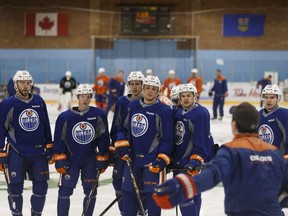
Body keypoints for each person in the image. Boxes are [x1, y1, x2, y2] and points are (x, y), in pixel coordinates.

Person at [153, 102, 288, 216]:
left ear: (234, 125)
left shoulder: (231, 150)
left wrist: (183, 186)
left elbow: (212, 175)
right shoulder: (274, 152)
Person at [115, 75, 174, 216]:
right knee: (128, 191)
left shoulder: (164, 111)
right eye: (147, 88)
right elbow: (122, 129)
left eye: (153, 89)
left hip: (152, 161)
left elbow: (167, 139)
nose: (149, 91)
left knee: (153, 195)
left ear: (158, 91)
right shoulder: (132, 106)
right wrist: (123, 146)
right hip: (132, 159)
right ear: (144, 88)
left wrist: (161, 159)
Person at [0, 70, 53, 216]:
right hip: (17, 153)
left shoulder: (39, 101)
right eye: (22, 82)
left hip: (38, 153)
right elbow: (0, 129)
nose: (25, 85)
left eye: (28, 82)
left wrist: (49, 145)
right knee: (15, 189)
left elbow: (46, 125)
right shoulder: (7, 104)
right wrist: (0, 150)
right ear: (16, 85)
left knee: (41, 188)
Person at [53, 84, 110, 216]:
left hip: (90, 159)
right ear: (77, 97)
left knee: (91, 191)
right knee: (64, 191)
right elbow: (59, 139)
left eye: (88, 97)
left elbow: (103, 137)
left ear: (91, 98)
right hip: (70, 159)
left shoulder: (99, 115)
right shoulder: (65, 117)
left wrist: (103, 155)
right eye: (82, 96)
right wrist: (60, 158)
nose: (85, 99)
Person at [171, 83, 214, 216]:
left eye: (189, 95)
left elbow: (201, 138)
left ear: (195, 96)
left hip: (192, 161)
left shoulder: (200, 113)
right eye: (182, 96)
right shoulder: (178, 112)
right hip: (180, 161)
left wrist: (197, 157)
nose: (185, 99)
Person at [109, 71, 145, 214]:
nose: (135, 87)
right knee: (118, 183)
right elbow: (116, 126)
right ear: (128, 85)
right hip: (122, 150)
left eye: (138, 84)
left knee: (139, 186)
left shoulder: (148, 101)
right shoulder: (122, 102)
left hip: (140, 153)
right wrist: (115, 146)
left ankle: (140, 211)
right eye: (132, 84)